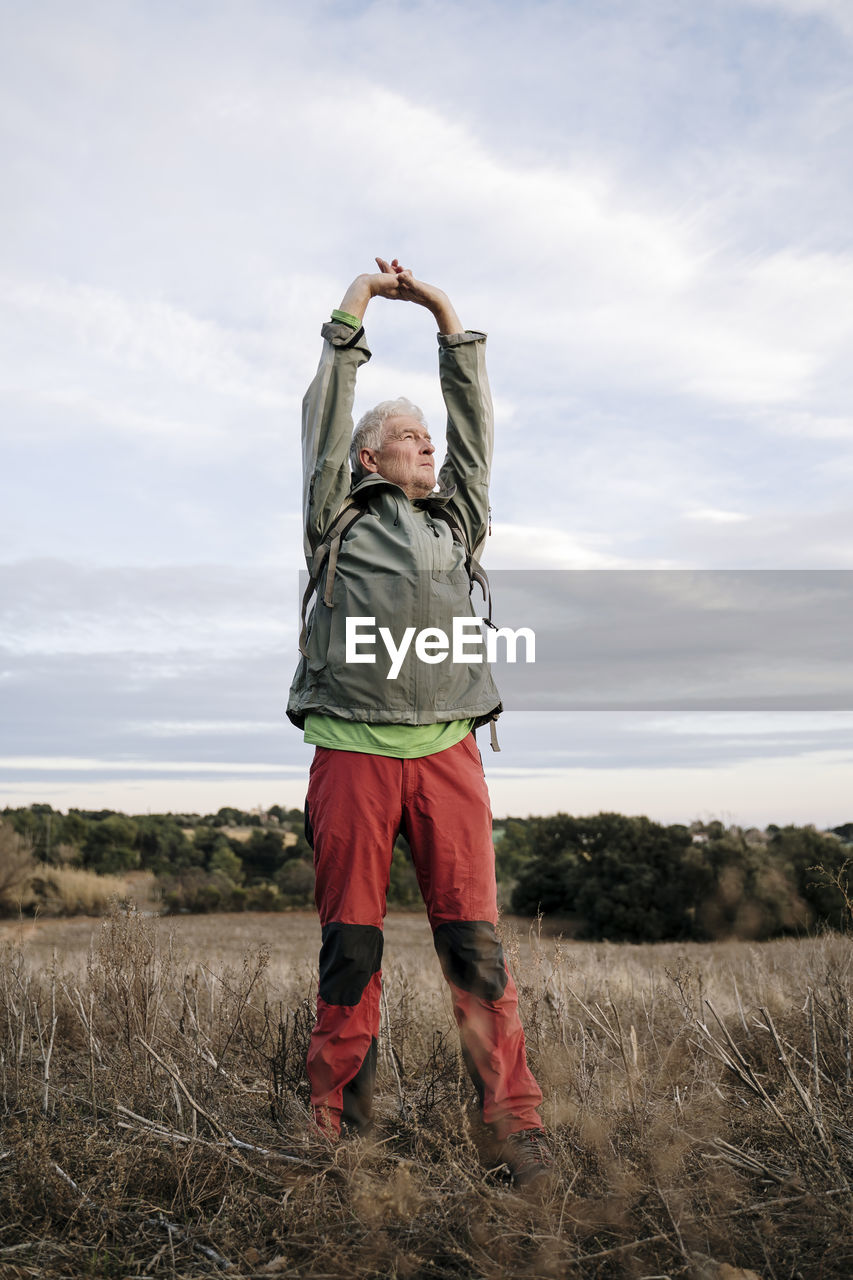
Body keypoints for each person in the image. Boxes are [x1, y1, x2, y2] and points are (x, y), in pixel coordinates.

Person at [287, 257, 552, 1188]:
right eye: (407, 439)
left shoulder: (456, 525)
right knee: (351, 947)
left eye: (425, 438)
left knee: (473, 946)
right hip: (351, 752)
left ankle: (512, 1128)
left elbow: (475, 435)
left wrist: (446, 316)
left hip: (447, 753)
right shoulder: (335, 519)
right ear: (366, 459)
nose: (425, 448)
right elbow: (325, 411)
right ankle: (335, 1126)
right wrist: (357, 304)